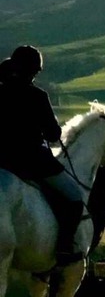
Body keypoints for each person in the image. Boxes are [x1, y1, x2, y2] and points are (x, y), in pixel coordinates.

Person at [0, 45, 86, 265]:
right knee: (74, 197)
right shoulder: (37, 96)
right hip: (31, 161)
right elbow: (54, 134)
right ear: (33, 71)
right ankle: (65, 247)